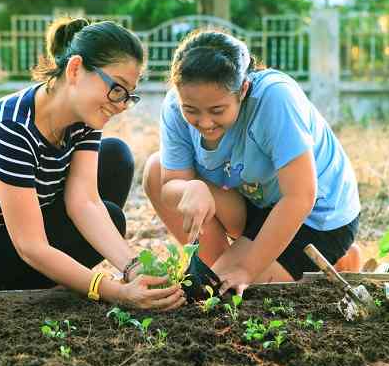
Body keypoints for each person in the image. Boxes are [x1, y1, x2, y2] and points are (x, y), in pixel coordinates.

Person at [0, 17, 185, 311]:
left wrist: (133, 268)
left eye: (128, 95)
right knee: (112, 219)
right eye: (116, 89)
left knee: (114, 158)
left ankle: (59, 276)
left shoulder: (84, 119)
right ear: (76, 69)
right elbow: (31, 246)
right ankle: (56, 278)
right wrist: (113, 291)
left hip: (6, 227)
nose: (120, 104)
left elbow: (85, 203)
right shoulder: (12, 129)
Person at [142, 30, 361, 297]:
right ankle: (225, 265)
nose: (205, 122)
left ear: (243, 89)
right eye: (192, 110)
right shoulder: (175, 108)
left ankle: (340, 259)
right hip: (255, 201)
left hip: (316, 215)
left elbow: (301, 196)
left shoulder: (275, 99)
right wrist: (191, 188)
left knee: (238, 290)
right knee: (155, 170)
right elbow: (168, 185)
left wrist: (246, 269)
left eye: (217, 110)